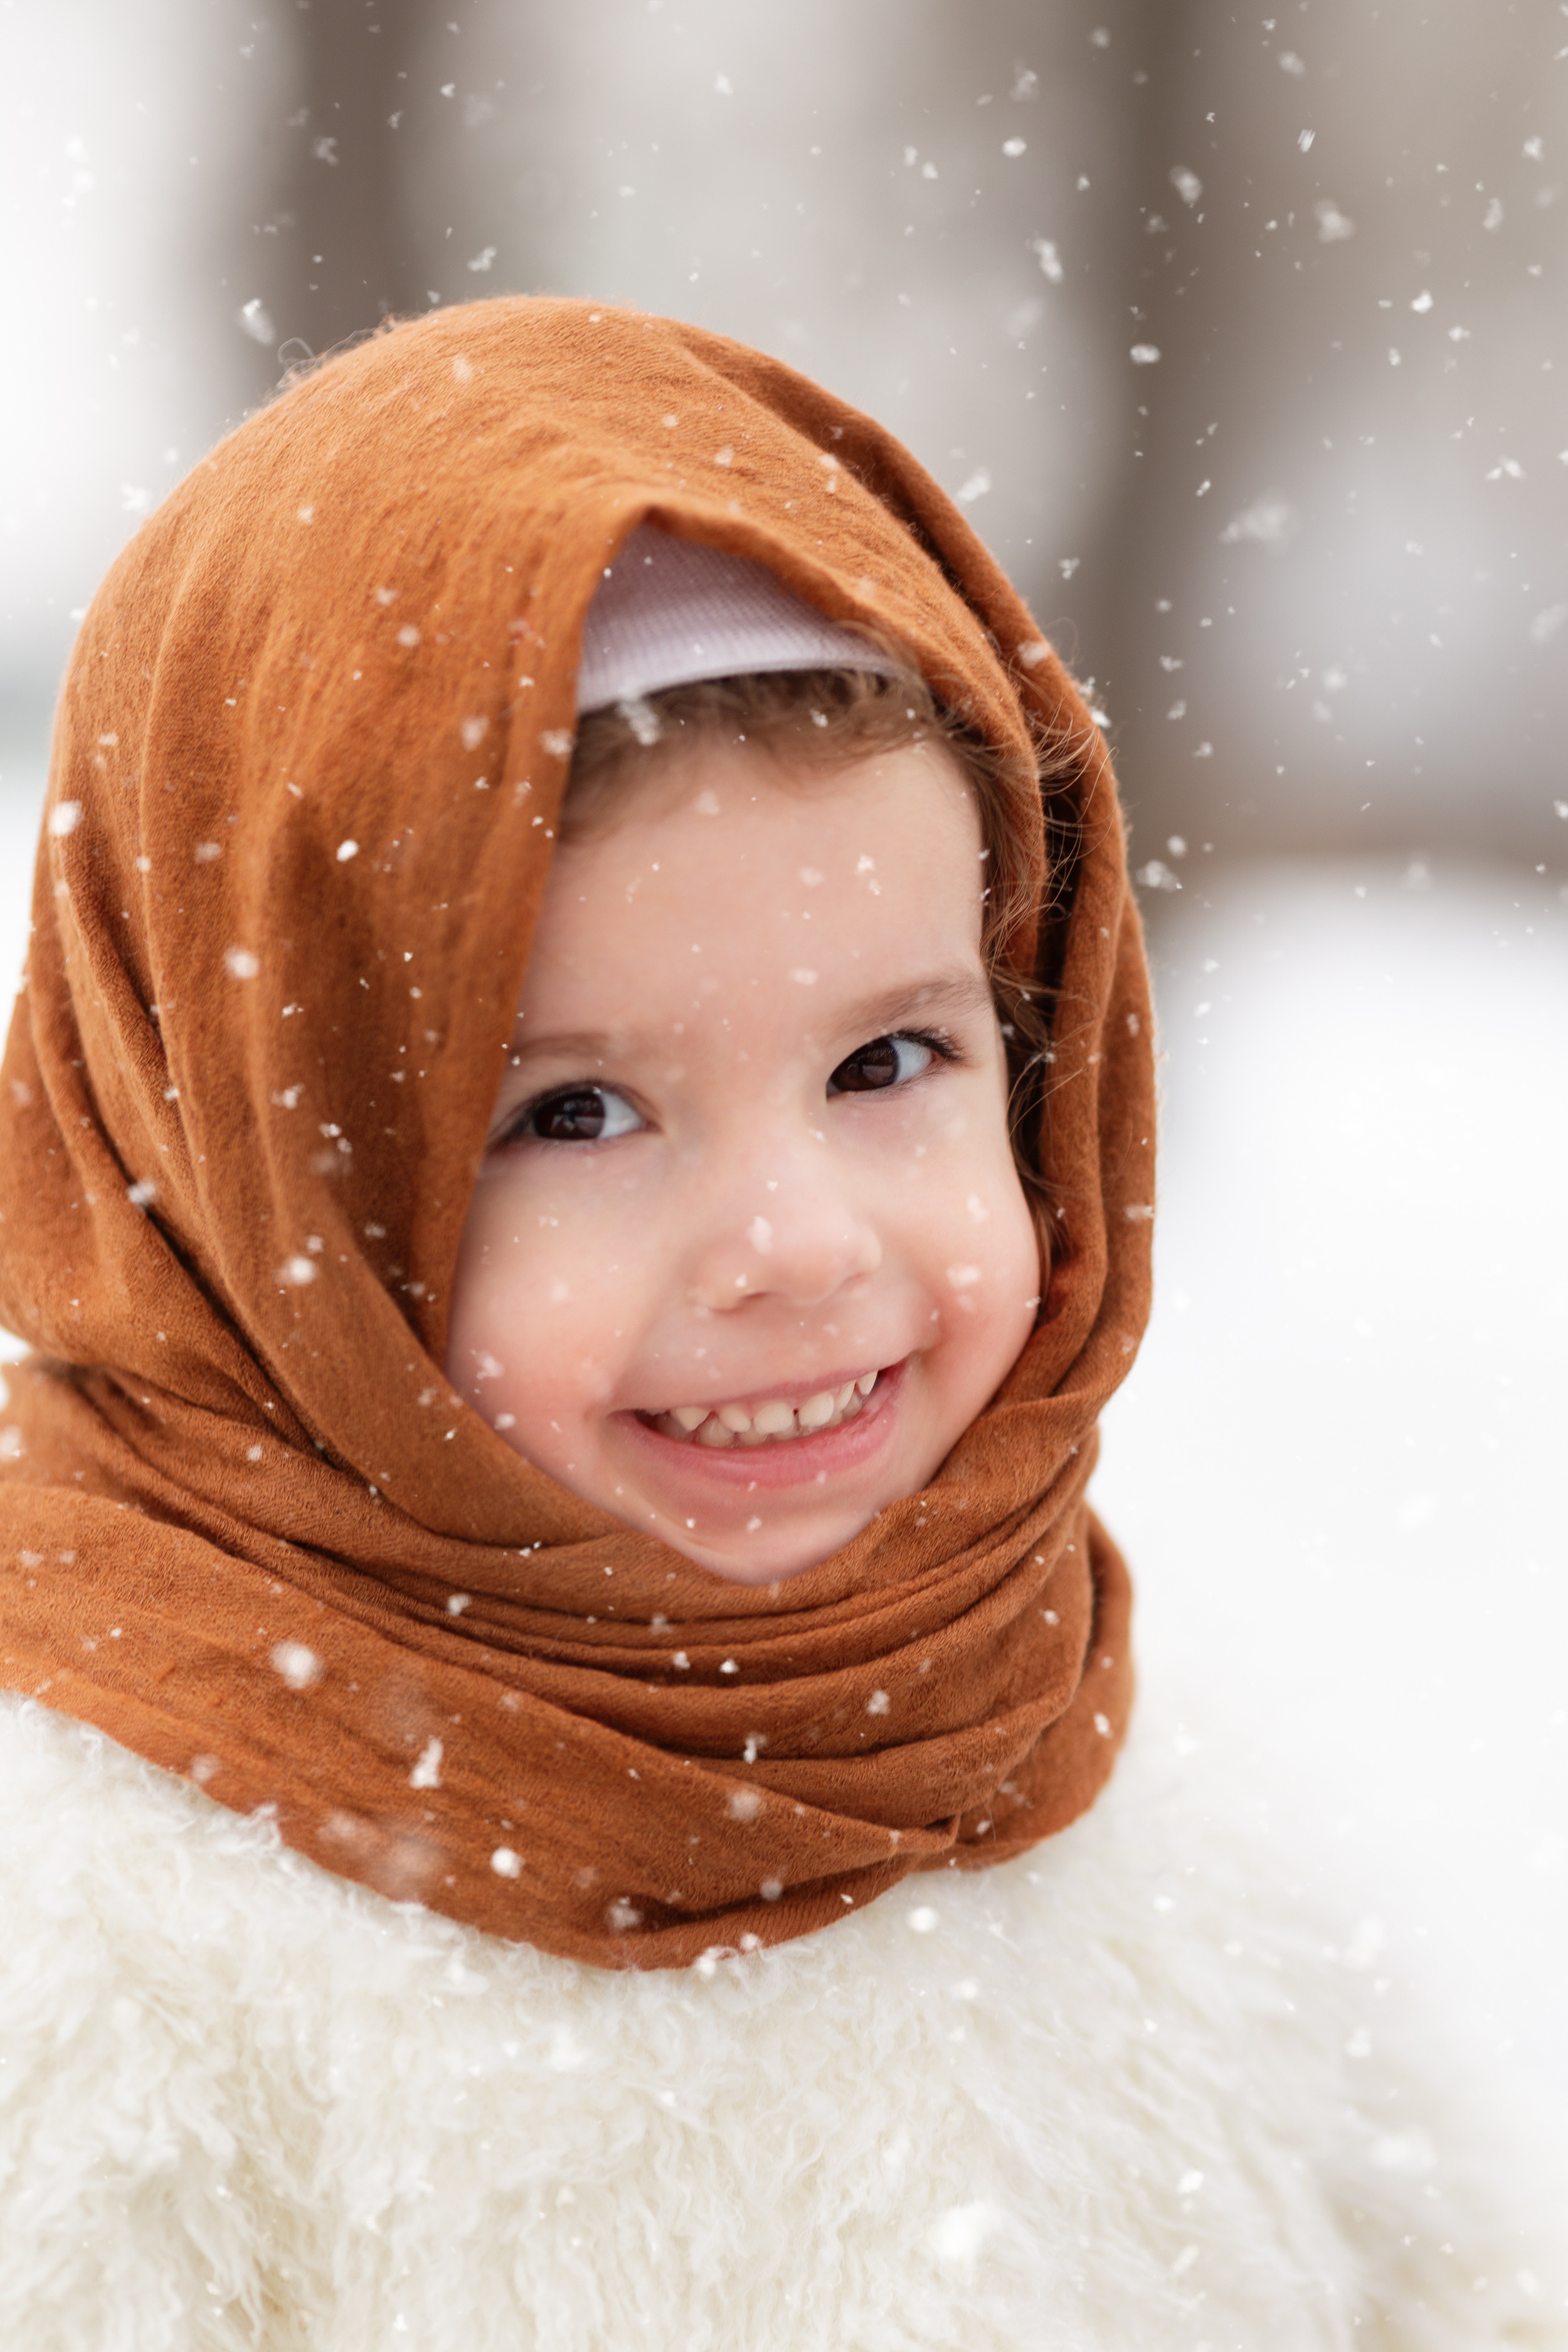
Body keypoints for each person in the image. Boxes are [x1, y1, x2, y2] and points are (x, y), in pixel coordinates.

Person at [0, 299, 1555, 2348]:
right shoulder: (96, 1963)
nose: (794, 1247)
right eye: (574, 1112)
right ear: (250, 1169)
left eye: (886, 1061)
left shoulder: (1128, 1825)